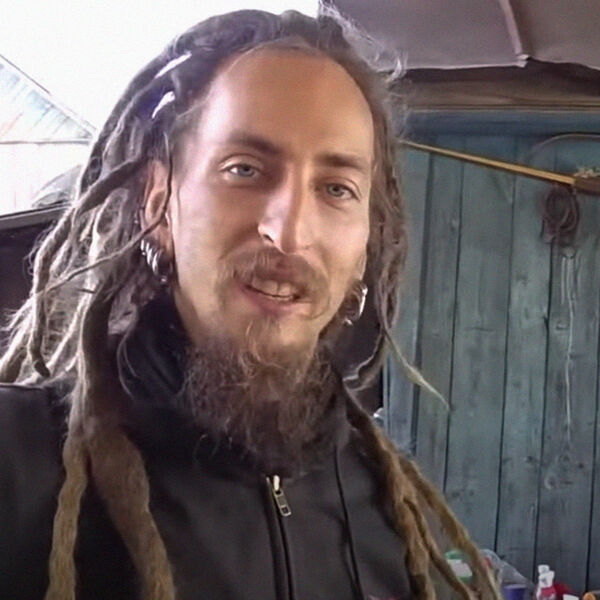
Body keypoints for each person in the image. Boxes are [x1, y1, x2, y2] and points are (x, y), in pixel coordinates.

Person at [0, 9, 500, 600]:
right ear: (159, 202)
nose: (289, 232)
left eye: (336, 189)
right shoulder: (21, 468)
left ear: (366, 240)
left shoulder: (395, 522)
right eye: (244, 169)